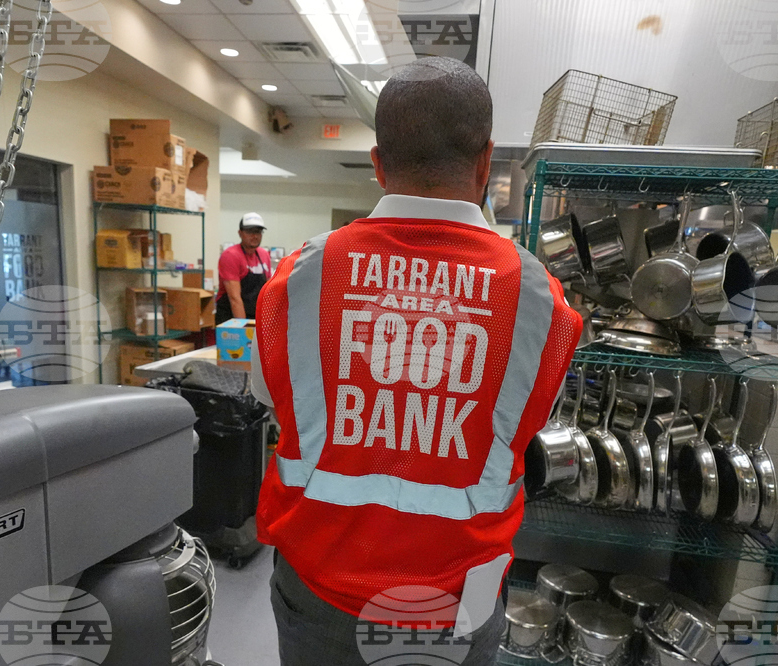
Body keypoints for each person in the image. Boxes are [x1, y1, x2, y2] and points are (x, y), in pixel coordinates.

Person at [250, 56, 584, 665]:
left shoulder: (298, 280)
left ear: (377, 164)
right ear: (486, 161)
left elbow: (272, 400)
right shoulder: (540, 302)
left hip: (322, 593)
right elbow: (520, 429)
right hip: (458, 600)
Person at [215, 213, 272, 323]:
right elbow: (234, 298)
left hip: (255, 316)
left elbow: (268, 290)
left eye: (258, 232)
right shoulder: (231, 255)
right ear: (240, 233)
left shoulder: (264, 255)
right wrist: (243, 328)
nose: (255, 236)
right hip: (231, 319)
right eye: (250, 231)